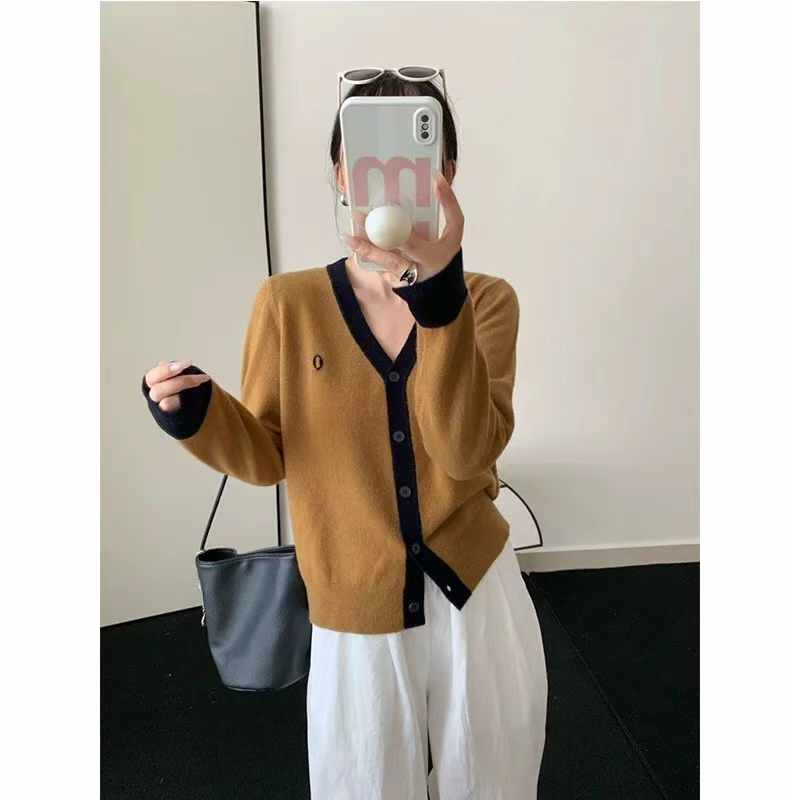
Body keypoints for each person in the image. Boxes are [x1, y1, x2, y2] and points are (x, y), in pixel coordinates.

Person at [141, 72, 548, 799]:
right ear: (339, 172)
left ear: (447, 173)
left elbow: (465, 451)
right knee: (364, 782)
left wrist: (438, 298)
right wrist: (198, 417)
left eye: (417, 152)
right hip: (353, 600)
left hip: (477, 590)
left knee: (493, 779)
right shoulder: (288, 304)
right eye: (364, 153)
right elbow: (266, 454)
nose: (388, 171)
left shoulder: (484, 300)